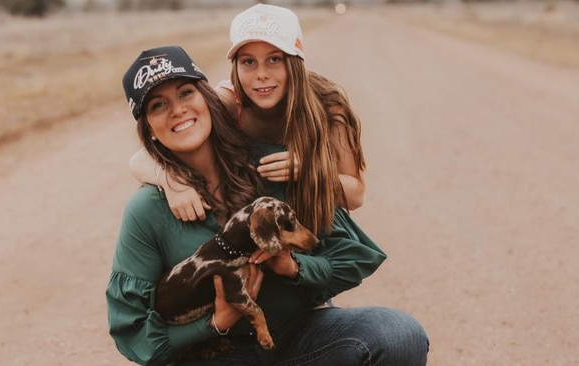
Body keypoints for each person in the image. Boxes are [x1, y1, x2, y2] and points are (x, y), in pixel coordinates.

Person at [107, 45, 428, 366]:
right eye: (158, 105)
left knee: (397, 334)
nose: (177, 110)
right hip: (216, 352)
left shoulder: (268, 165)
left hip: (297, 335)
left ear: (207, 97)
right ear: (148, 127)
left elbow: (351, 256)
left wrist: (294, 267)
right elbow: (131, 330)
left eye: (186, 93)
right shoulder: (148, 209)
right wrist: (214, 323)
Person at [129, 4, 366, 237]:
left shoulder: (326, 104)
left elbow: (356, 195)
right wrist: (172, 183)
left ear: (295, 61)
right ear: (236, 65)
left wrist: (309, 171)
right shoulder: (230, 103)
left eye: (274, 59)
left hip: (314, 226)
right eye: (249, 62)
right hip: (261, 231)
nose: (261, 74)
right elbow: (140, 160)